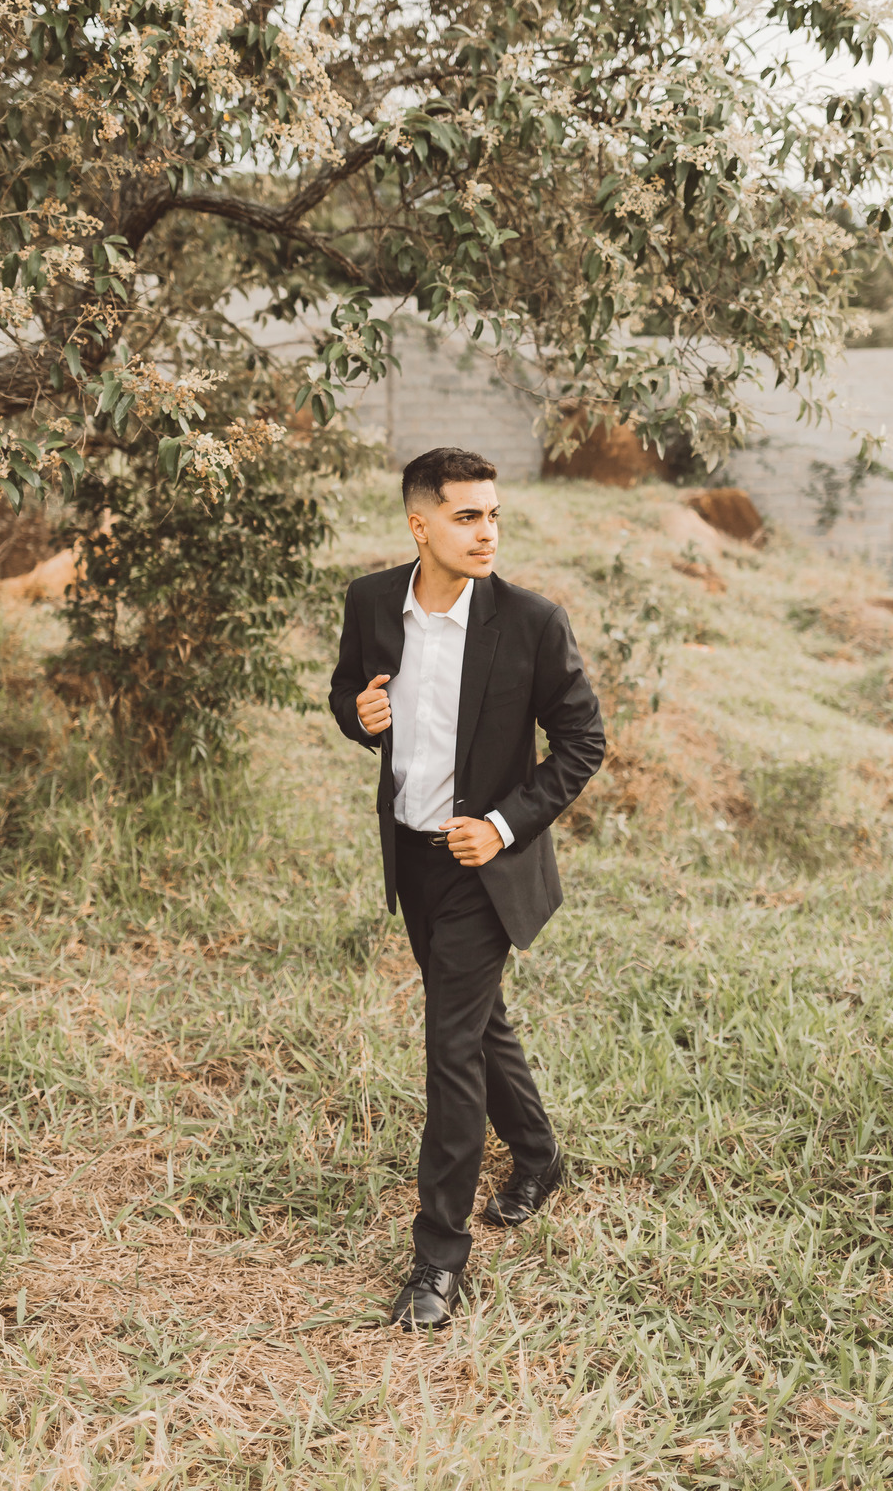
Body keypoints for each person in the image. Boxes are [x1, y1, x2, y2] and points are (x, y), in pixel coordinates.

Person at [329, 446, 605, 1333]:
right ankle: (538, 1154)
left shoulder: (530, 621)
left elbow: (580, 744)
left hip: (484, 865)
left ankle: (437, 1259)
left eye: (493, 515)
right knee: (478, 1017)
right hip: (411, 857)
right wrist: (357, 717)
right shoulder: (373, 602)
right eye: (466, 516)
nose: (487, 532)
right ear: (421, 523)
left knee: (450, 1049)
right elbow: (348, 692)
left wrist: (503, 824)